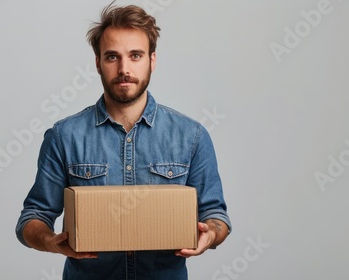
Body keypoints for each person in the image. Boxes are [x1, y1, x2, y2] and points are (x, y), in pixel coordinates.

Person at [15, 2, 231, 279]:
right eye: (112, 56)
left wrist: (210, 234)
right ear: (97, 63)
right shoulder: (63, 136)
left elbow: (217, 215)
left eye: (136, 55)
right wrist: (51, 242)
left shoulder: (192, 136)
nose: (124, 68)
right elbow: (33, 217)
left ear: (152, 60)